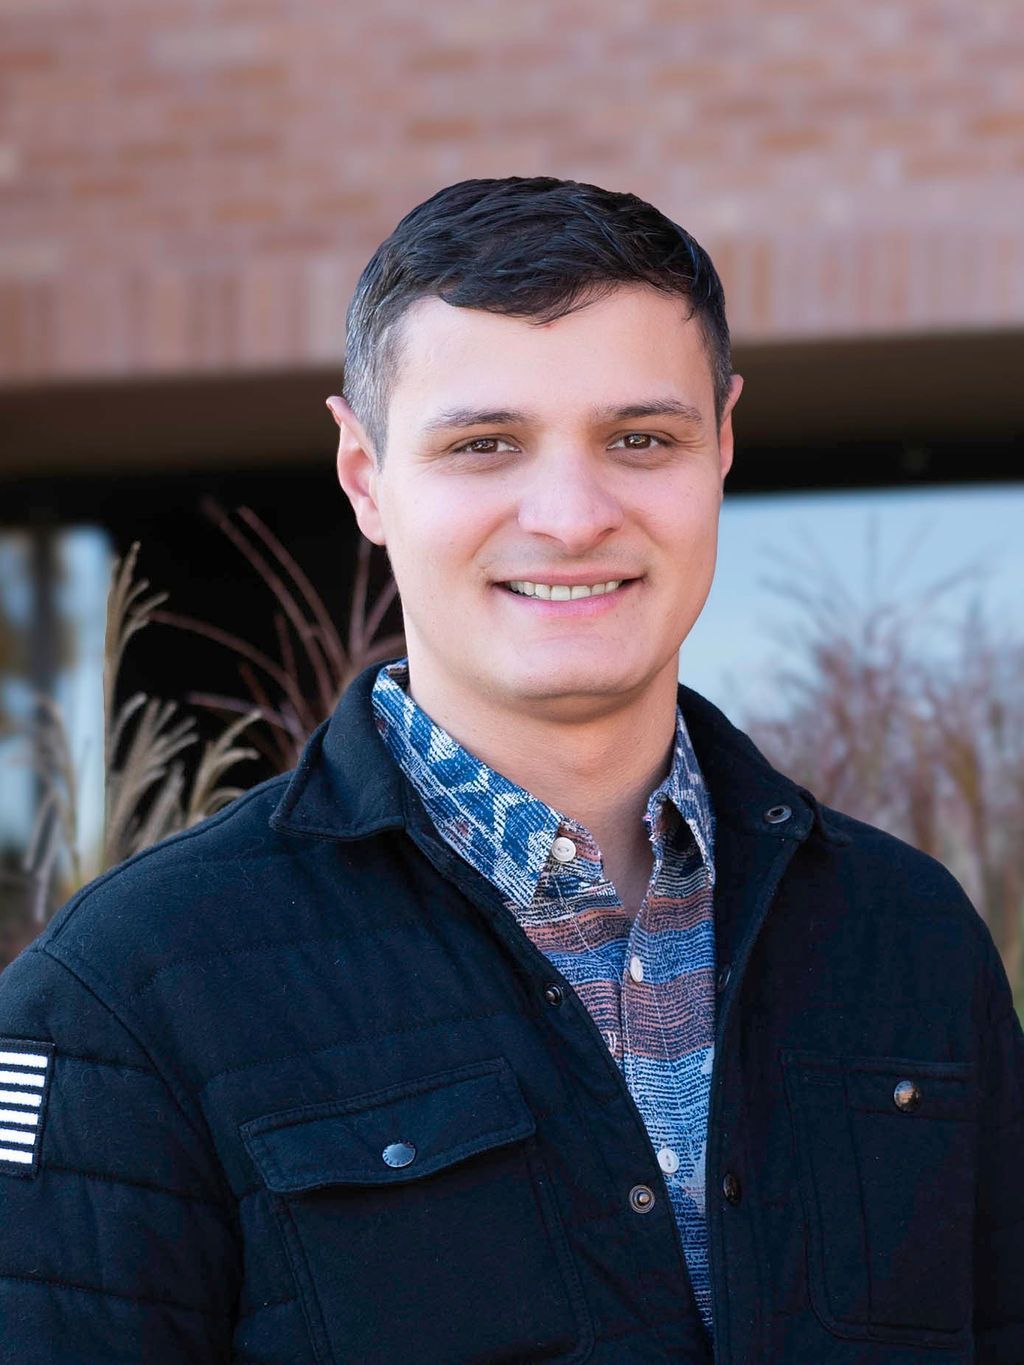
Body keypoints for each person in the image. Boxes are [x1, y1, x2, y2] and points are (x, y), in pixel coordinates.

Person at [0, 177, 1020, 1364]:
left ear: (723, 445)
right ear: (365, 475)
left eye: (640, 439)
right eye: (484, 445)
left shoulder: (909, 938)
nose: (573, 514)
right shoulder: (127, 990)